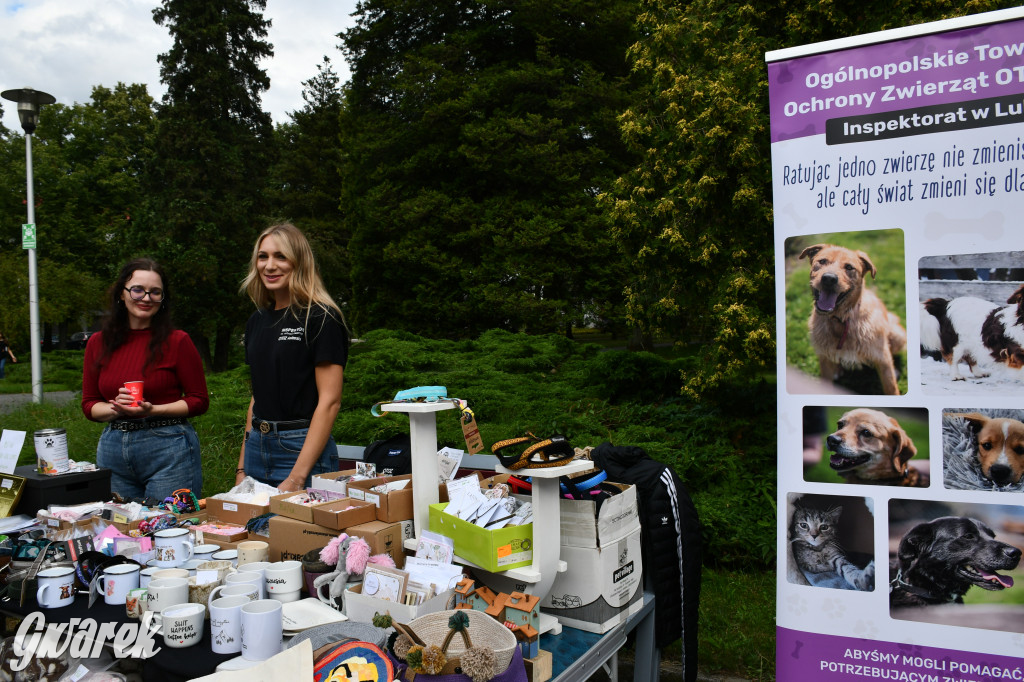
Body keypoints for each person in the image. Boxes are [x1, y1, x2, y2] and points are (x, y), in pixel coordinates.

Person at [81, 258, 209, 501]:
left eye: (155, 292)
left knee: (167, 522)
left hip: (168, 447)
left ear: (162, 299)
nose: (146, 298)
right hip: (113, 449)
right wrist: (116, 408)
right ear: (122, 293)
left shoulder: (177, 341)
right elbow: (89, 404)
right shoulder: (98, 342)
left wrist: (153, 409)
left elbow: (199, 400)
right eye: (138, 290)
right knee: (121, 523)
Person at [236, 223, 348, 492]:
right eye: (263, 256)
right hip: (256, 447)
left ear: (299, 262)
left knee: (293, 522)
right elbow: (258, 397)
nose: (269, 265)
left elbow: (330, 402)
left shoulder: (321, 317)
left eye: (281, 256)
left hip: (300, 449)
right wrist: (241, 468)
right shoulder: (256, 321)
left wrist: (297, 478)